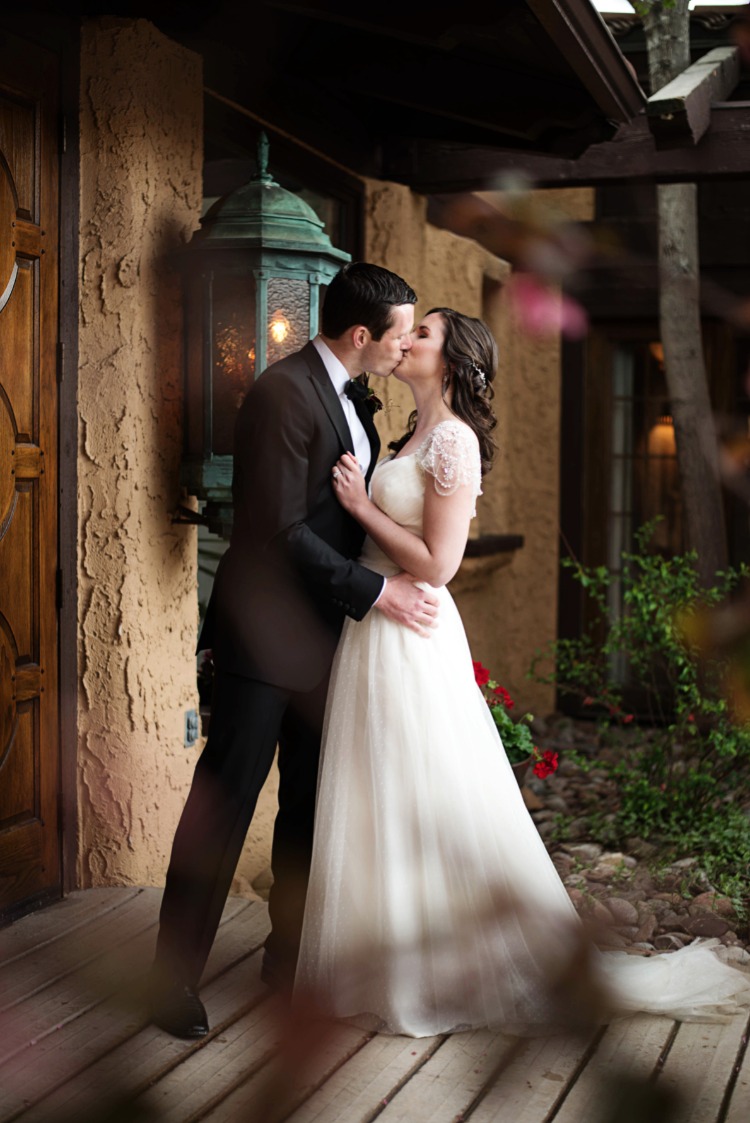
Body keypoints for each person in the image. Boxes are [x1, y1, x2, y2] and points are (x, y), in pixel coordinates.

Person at [294, 307, 750, 1037]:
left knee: (428, 794)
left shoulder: (454, 440)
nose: (407, 340)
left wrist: (358, 506)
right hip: (377, 628)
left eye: (425, 333)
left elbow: (441, 564)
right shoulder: (407, 433)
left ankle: (439, 975)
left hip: (414, 632)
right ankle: (380, 966)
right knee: (378, 792)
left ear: (452, 359)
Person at [151, 263, 441, 1039]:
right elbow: (279, 530)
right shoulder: (282, 392)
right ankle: (169, 977)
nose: (407, 344)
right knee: (224, 805)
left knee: (309, 810)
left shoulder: (356, 399)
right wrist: (378, 592)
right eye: (399, 332)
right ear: (360, 336)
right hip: (263, 638)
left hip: (326, 644)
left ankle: (286, 958)